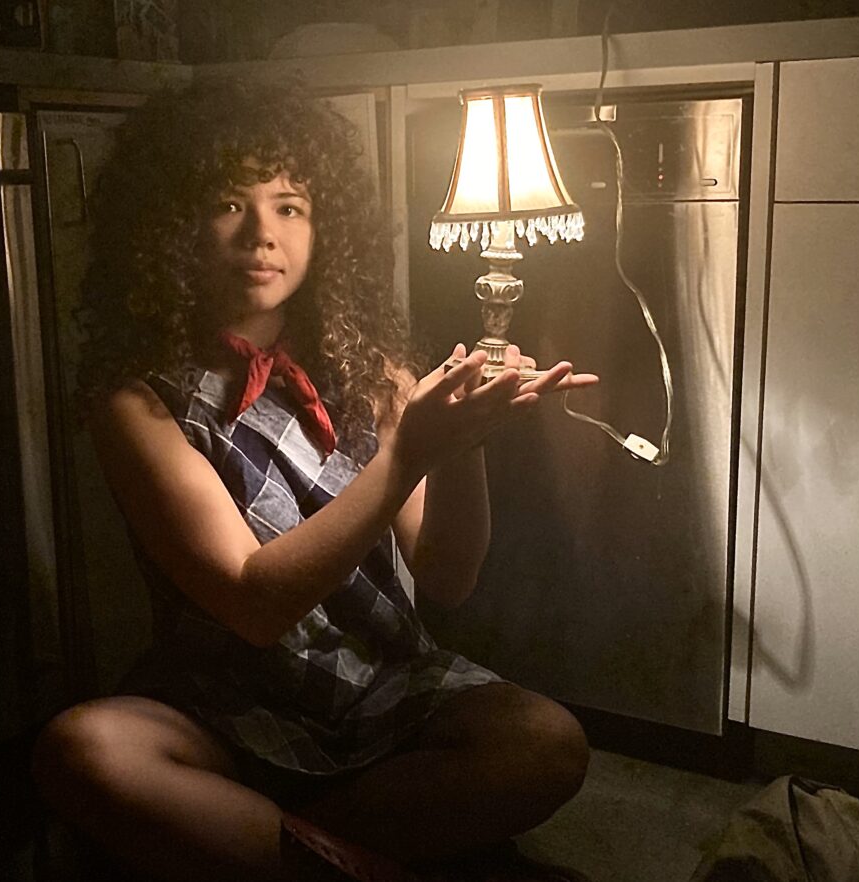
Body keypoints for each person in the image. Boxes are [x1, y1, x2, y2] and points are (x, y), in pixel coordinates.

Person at [32, 76, 598, 882]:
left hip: (385, 689)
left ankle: (273, 847)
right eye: (230, 203)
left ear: (323, 224)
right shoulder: (137, 401)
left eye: (290, 205)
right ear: (170, 225)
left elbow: (448, 578)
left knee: (546, 743)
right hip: (219, 710)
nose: (263, 233)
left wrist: (463, 441)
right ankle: (346, 853)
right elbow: (256, 606)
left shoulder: (372, 370)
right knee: (82, 752)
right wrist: (406, 457)